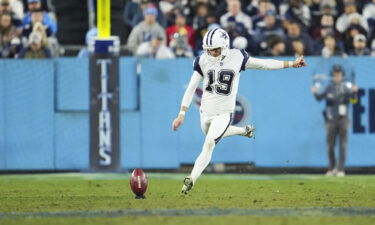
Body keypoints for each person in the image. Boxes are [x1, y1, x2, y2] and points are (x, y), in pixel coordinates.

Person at [172, 28, 306, 194]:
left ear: (225, 46)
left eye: (215, 49)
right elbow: (191, 88)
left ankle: (190, 180)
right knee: (212, 136)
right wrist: (181, 113)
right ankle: (244, 131)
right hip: (205, 112)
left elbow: (264, 64)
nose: (212, 53)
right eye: (209, 50)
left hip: (224, 112)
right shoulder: (202, 60)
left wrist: (291, 64)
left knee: (209, 143)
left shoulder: (238, 57)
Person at [311, 64, 358, 177]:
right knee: (330, 145)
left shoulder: (347, 87)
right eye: (335, 74)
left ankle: (341, 169)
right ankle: (331, 168)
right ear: (333, 75)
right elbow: (319, 98)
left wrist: (354, 92)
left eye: (339, 74)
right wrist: (315, 92)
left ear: (342, 75)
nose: (337, 76)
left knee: (343, 145)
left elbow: (353, 101)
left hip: (344, 119)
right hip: (331, 119)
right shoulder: (328, 87)